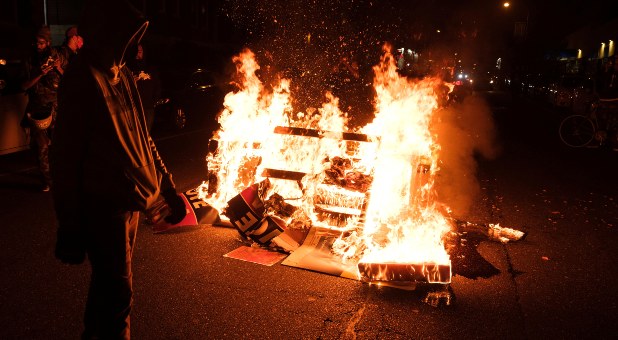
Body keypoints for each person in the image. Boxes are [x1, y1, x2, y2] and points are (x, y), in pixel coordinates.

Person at [49, 0, 186, 338]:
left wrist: (167, 187)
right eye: (127, 35)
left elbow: (143, 137)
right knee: (117, 294)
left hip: (132, 202)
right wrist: (69, 223)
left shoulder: (123, 75)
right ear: (109, 33)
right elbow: (64, 156)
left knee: (108, 294)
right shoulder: (82, 79)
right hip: (102, 204)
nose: (133, 44)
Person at [21, 26, 66, 191]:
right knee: (41, 148)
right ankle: (48, 180)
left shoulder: (57, 56)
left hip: (56, 107)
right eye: (36, 42)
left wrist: (59, 68)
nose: (38, 45)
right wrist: (39, 73)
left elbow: (69, 81)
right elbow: (24, 85)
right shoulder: (29, 60)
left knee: (61, 146)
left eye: (41, 42)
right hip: (38, 108)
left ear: (48, 42)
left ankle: (63, 178)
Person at [127, 43, 161, 131]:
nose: (138, 54)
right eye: (136, 52)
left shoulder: (150, 69)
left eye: (140, 51)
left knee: (146, 131)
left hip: (148, 107)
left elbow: (157, 85)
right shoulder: (128, 69)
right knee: (136, 133)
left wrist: (154, 101)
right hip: (134, 107)